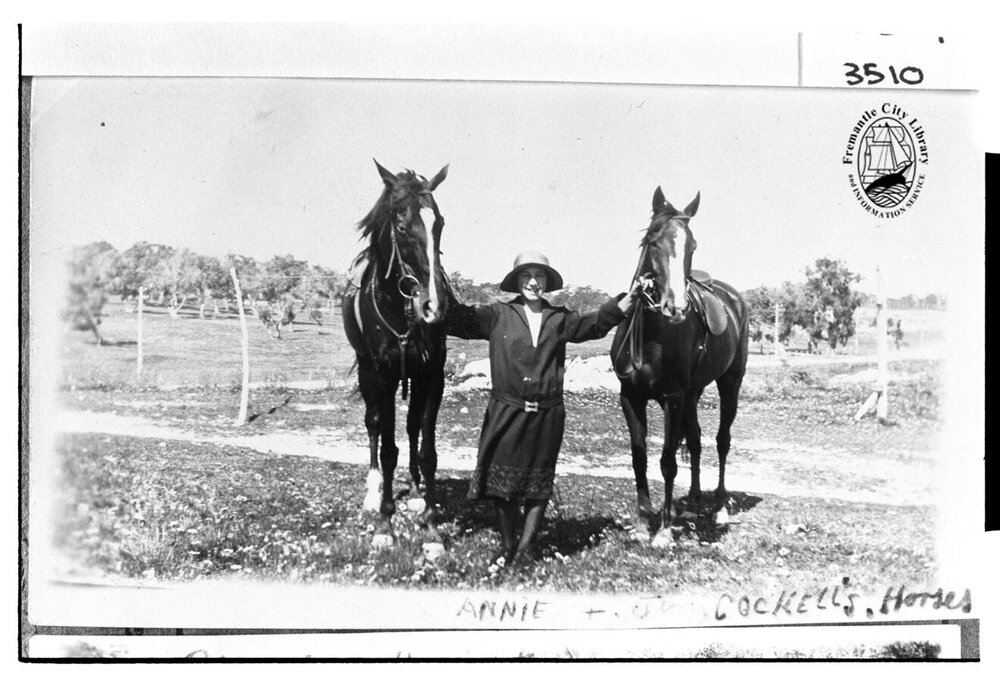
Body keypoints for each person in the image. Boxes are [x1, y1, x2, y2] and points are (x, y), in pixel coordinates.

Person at [446, 251, 638, 568]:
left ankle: (525, 549)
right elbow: (458, 319)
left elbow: (592, 324)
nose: (533, 282)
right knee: (501, 486)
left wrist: (619, 306)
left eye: (540, 276)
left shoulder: (559, 318)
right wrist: (433, 300)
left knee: (538, 485)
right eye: (526, 276)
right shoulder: (498, 315)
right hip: (506, 410)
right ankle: (507, 545)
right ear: (517, 281)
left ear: (547, 282)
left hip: (548, 413)